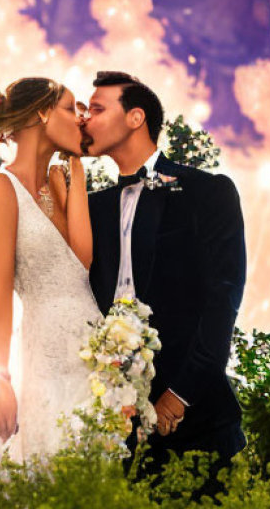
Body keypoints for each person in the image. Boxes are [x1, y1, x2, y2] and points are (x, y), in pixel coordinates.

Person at [82, 71, 247, 489]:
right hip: (112, 426)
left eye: (97, 108)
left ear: (136, 117)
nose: (85, 119)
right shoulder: (89, 209)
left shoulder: (207, 191)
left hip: (196, 423)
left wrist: (180, 394)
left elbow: (222, 299)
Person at [0, 77, 100, 479]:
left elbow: (80, 264)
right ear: (43, 112)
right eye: (70, 108)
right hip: (44, 352)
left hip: (92, 350)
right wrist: (1, 381)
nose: (80, 119)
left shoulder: (61, 183)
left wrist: (76, 173)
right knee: (48, 468)